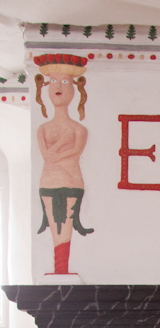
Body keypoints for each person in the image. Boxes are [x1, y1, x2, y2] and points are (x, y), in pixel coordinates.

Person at [34, 53, 93, 275]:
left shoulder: (79, 129)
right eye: (53, 81)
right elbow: (47, 156)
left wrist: (58, 149)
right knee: (54, 229)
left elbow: (75, 151)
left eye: (65, 81)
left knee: (66, 227)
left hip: (71, 181)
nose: (58, 86)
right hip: (48, 182)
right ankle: (59, 273)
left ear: (74, 89)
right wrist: (61, 143)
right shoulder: (43, 129)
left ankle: (62, 271)